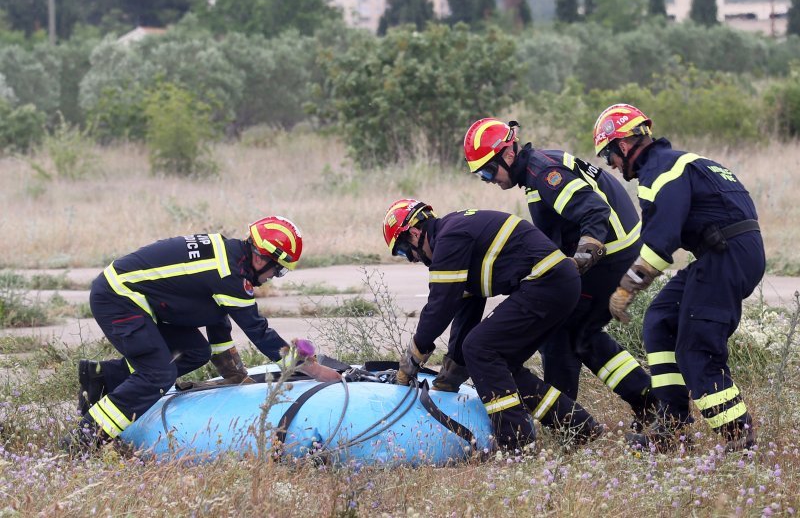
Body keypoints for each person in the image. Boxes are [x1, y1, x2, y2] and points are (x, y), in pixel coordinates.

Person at [63, 216, 339, 453]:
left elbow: (217, 315)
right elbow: (259, 331)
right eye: (277, 270)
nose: (273, 277)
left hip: (135, 297)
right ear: (261, 256)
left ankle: (103, 376)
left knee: (195, 351)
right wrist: (311, 369)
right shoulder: (231, 276)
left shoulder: (231, 256)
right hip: (119, 298)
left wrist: (231, 369)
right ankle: (84, 439)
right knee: (158, 374)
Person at [463, 118, 657, 430]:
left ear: (508, 155)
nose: (488, 180)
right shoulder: (535, 171)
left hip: (610, 256)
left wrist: (582, 258)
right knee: (581, 334)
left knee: (559, 331)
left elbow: (594, 210)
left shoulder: (544, 174)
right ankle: (644, 399)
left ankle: (569, 424)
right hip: (620, 251)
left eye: (488, 171)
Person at [591, 103, 765, 452]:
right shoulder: (680, 161)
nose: (611, 164)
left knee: (695, 349)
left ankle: (738, 436)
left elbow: (662, 240)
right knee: (660, 320)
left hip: (726, 257)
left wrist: (627, 288)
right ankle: (671, 426)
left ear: (623, 146)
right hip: (724, 254)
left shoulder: (661, 172)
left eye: (609, 155)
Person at [383, 198, 603, 451]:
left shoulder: (450, 239)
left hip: (547, 283)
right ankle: (579, 426)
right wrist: (450, 375)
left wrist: (413, 355)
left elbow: (439, 306)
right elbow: (465, 312)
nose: (411, 259)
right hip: (556, 284)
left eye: (403, 250)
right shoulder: (454, 234)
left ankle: (517, 444)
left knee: (479, 348)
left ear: (414, 233)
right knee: (501, 365)